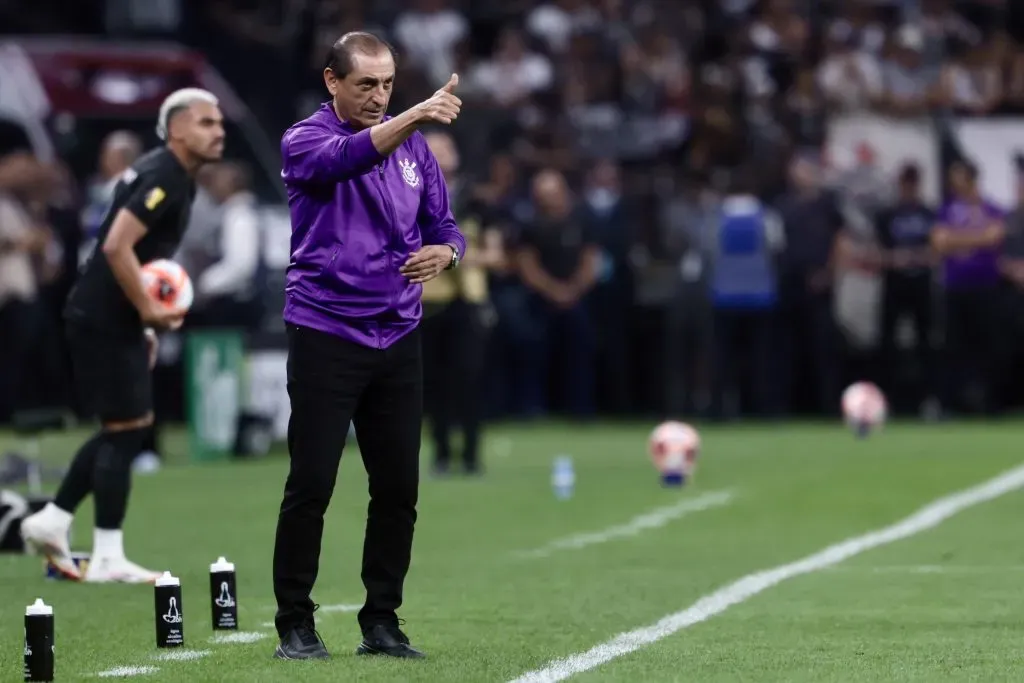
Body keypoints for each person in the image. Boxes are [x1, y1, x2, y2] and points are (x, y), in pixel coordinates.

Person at [271, 32, 466, 661]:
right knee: (312, 484)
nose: (380, 97)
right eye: (366, 85)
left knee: (398, 489)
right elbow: (346, 160)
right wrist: (416, 115)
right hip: (326, 328)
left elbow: (443, 223)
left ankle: (381, 622)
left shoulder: (415, 150)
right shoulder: (305, 140)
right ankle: (295, 624)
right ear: (333, 81)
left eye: (387, 85)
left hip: (398, 331)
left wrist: (448, 251)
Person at [19, 88, 225, 583]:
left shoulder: (168, 172)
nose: (218, 131)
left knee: (125, 428)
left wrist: (142, 318)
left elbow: (137, 250)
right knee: (127, 428)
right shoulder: (166, 177)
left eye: (219, 123)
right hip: (104, 316)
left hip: (110, 315)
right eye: (205, 123)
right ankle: (100, 548)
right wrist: (148, 309)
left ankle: (55, 521)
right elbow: (117, 246)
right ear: (176, 129)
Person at [420, 130, 504, 476]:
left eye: (447, 148)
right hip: (428, 302)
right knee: (432, 382)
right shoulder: (409, 199)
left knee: (468, 378)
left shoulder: (477, 202)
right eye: (434, 149)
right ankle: (440, 454)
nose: (442, 155)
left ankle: (471, 455)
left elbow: (497, 256)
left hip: (467, 302)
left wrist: (457, 255)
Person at [931, 159, 1004, 413]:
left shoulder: (990, 208)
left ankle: (989, 403)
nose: (954, 182)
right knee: (953, 347)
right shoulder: (947, 210)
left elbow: (994, 237)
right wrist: (976, 239)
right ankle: (950, 404)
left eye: (959, 177)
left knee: (987, 346)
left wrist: (956, 239)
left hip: (984, 287)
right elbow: (939, 242)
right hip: (954, 288)